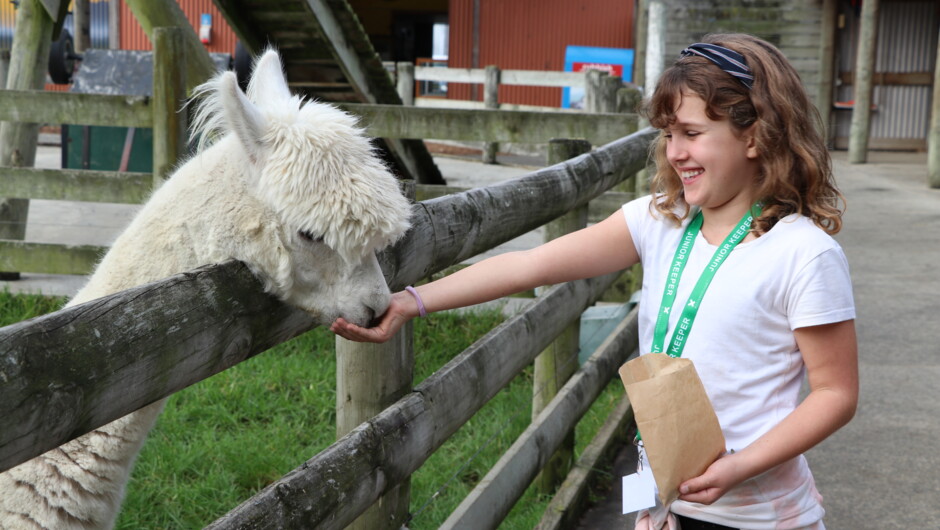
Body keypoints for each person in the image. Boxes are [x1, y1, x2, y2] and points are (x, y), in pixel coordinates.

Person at [332, 33, 857, 530]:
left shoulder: (803, 254)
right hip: (666, 504)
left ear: (755, 134)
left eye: (693, 134)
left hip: (757, 515)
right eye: (669, 134)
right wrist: (413, 301)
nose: (675, 152)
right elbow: (530, 267)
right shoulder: (659, 222)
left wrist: (738, 468)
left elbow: (835, 393)